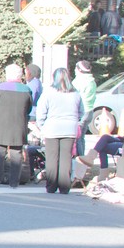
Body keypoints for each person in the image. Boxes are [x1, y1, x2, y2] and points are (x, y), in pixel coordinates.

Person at [36, 67, 83, 195]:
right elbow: (81, 112)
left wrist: (42, 126)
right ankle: (64, 186)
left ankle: (51, 186)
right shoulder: (75, 93)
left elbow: (41, 111)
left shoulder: (48, 92)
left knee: (52, 158)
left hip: (52, 127)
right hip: (69, 128)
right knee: (66, 157)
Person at [0, 64, 32, 188]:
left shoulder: (0, 88)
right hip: (18, 124)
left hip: (2, 123)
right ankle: (14, 182)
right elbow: (28, 108)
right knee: (16, 153)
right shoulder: (26, 90)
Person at [72, 60, 97, 156]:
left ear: (79, 70)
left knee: (77, 137)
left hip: (81, 112)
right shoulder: (91, 81)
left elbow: (72, 94)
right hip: (89, 111)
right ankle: (82, 158)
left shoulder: (79, 81)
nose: (74, 70)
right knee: (81, 137)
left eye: (75, 68)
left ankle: (80, 160)